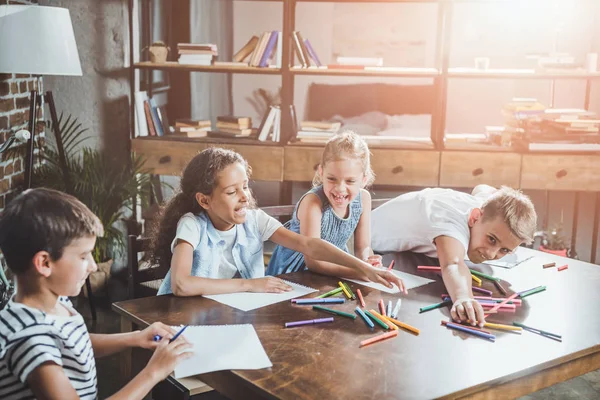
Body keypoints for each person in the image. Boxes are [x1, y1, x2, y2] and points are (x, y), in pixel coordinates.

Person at [0, 188, 192, 400]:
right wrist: (153, 372)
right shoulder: (31, 343)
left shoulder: (49, 301)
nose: (93, 266)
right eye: (83, 256)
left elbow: (76, 342)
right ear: (44, 263)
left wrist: (135, 337)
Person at [150, 147, 404, 296]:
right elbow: (181, 285)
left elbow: (310, 245)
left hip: (228, 315)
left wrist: (365, 268)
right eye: (231, 192)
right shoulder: (192, 225)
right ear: (205, 201)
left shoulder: (255, 220)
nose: (244, 197)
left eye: (245, 187)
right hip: (181, 321)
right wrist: (250, 285)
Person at [371, 185, 537, 326]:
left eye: (505, 250)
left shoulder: (486, 207)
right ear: (474, 217)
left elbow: (482, 188)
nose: (491, 253)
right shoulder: (451, 225)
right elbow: (453, 264)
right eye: (492, 239)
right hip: (362, 241)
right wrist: (464, 297)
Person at [266, 132, 407, 292]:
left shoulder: (363, 199)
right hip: (293, 276)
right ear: (321, 172)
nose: (340, 188)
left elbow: (363, 247)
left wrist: (368, 262)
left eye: (350, 181)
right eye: (332, 179)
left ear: (364, 179)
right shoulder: (313, 203)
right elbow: (313, 261)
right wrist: (361, 271)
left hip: (335, 270)